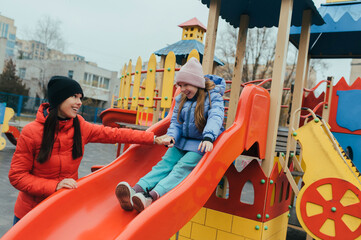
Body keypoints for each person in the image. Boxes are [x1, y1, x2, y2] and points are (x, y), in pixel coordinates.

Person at [8, 76, 162, 224]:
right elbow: (17, 176)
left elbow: (116, 133)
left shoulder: (80, 126)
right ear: (59, 99)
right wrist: (55, 186)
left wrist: (153, 138)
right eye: (74, 97)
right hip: (30, 214)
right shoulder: (32, 132)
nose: (79, 102)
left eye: (80, 97)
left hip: (61, 210)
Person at [116, 58, 225, 212]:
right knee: (164, 163)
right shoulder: (181, 99)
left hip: (200, 144)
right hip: (182, 142)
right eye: (180, 85)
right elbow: (176, 122)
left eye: (185, 85)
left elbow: (216, 117)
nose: (182, 89)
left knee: (181, 168)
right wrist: (172, 136)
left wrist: (209, 137)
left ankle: (151, 196)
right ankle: (137, 189)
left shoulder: (213, 97)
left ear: (197, 83)